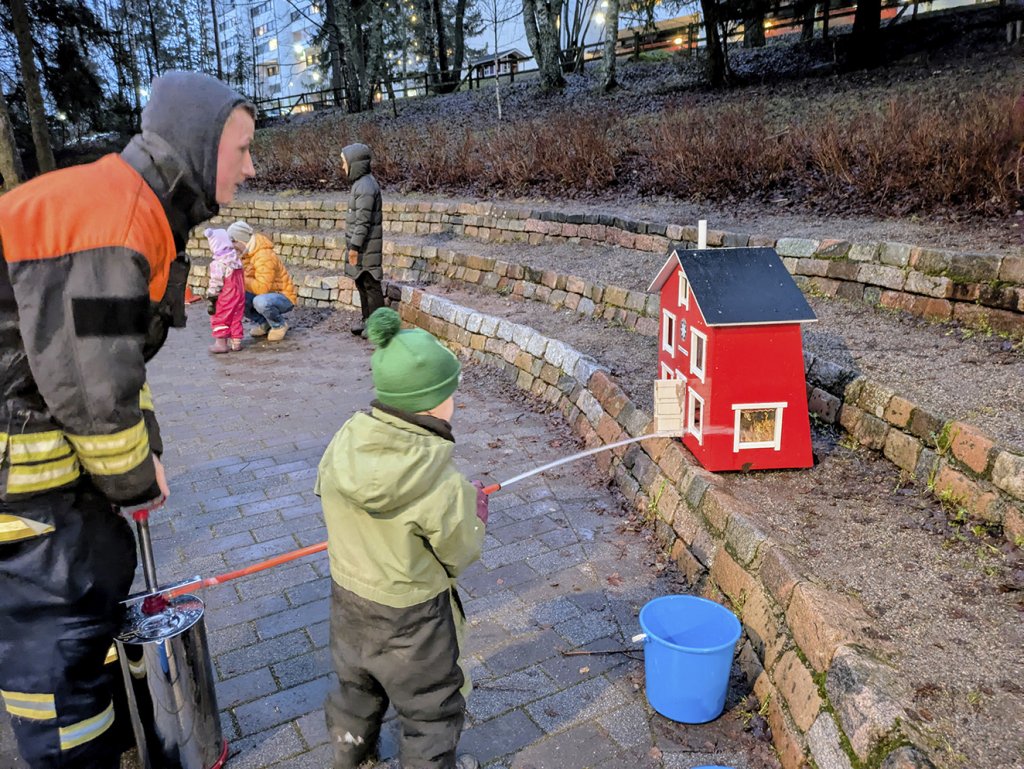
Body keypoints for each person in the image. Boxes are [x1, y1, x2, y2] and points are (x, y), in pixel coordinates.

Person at [0, 71, 254, 769]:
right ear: (200, 145)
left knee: (95, 602)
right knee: (58, 654)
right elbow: (92, 392)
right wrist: (134, 479)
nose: (251, 167)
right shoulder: (115, 220)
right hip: (23, 497)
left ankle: (125, 742)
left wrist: (150, 456)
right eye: (241, 148)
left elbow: (118, 363)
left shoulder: (132, 209)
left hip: (47, 483)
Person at [316, 307, 487, 769]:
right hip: (414, 620)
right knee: (431, 709)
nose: (454, 402)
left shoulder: (344, 443)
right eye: (450, 393)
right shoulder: (443, 483)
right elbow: (460, 551)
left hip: (348, 601)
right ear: (432, 405)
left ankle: (351, 755)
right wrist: (475, 512)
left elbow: (325, 494)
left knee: (356, 690)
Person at [226, 220, 297, 341]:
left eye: (233, 242)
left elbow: (262, 288)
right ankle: (264, 323)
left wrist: (239, 278)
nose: (232, 246)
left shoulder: (264, 255)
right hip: (264, 294)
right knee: (236, 296)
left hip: (282, 296)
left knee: (261, 302)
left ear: (242, 240)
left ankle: (279, 325)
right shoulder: (245, 254)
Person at [341, 143, 384, 337]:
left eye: (345, 162)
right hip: (362, 246)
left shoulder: (366, 186)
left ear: (355, 164)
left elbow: (363, 221)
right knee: (361, 281)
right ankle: (367, 319)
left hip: (366, 247)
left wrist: (355, 246)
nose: (343, 166)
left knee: (370, 284)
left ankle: (378, 325)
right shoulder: (359, 185)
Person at [204, 227, 246, 354]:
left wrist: (212, 294)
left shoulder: (218, 263)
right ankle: (236, 342)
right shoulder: (235, 259)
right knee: (236, 316)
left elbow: (216, 281)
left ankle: (221, 343)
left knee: (220, 316)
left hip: (226, 295)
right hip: (239, 293)